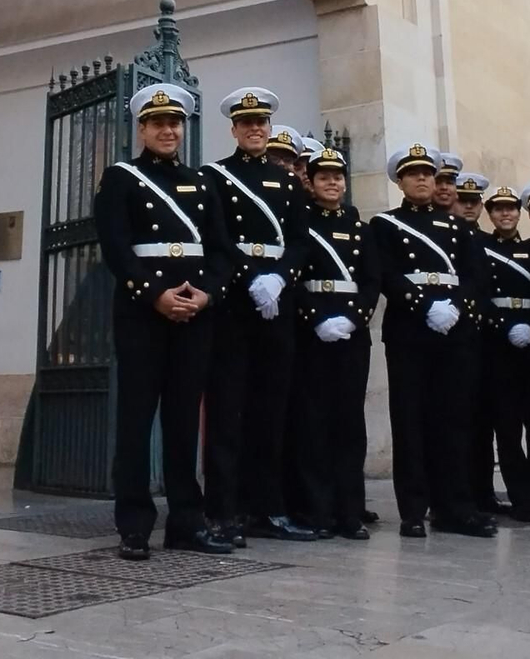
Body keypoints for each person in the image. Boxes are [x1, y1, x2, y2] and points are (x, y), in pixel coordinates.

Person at [94, 82, 234, 559]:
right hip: (142, 315)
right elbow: (116, 247)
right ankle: (134, 523)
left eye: (175, 123)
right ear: (142, 129)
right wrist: (155, 294)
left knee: (182, 421)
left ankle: (186, 522)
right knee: (136, 419)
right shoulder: (121, 178)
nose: (168, 130)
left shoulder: (201, 182)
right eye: (159, 123)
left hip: (194, 314)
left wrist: (207, 295)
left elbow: (220, 250)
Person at [201, 90, 317, 545]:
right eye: (246, 122)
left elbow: (301, 241)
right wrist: (253, 277)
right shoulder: (215, 177)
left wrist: (280, 278)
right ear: (233, 129)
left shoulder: (287, 182)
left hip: (277, 304)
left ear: (269, 128)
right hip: (234, 302)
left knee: (271, 410)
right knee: (227, 411)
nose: (254, 129)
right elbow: (217, 237)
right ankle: (223, 510)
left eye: (261, 122)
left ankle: (267, 508)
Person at [371, 143, 495, 538]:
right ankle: (412, 509)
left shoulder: (458, 227)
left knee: (454, 419)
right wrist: (424, 305)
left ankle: (455, 506)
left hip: (455, 330)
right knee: (410, 419)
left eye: (429, 174)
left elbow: (477, 277)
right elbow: (386, 275)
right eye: (414, 174)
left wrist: (455, 306)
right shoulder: (386, 225)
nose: (423, 179)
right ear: (401, 182)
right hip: (410, 328)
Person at [291, 146, 379, 540]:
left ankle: (349, 511)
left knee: (349, 423)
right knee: (313, 423)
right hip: (312, 333)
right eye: (323, 176)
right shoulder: (299, 222)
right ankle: (317, 510)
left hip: (351, 335)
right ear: (310, 180)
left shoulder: (361, 228)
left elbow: (372, 281)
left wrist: (355, 318)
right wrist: (315, 318)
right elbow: (292, 276)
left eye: (338, 176)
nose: (332, 182)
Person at [473, 182, 530, 522]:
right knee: (507, 430)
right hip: (499, 347)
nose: (506, 214)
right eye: (499, 210)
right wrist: (502, 325)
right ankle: (521, 499)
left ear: (519, 213)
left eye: (511, 208)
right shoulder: (482, 250)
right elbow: (479, 295)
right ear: (491, 215)